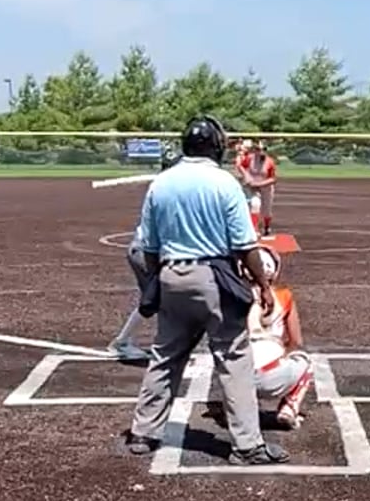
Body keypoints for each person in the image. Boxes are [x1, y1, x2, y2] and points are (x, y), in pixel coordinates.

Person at [122, 116, 288, 466]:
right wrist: (263, 285)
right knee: (233, 357)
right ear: (215, 146)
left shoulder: (161, 183)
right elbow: (245, 245)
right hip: (213, 277)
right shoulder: (224, 183)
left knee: (166, 355)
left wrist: (156, 283)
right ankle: (247, 445)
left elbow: (148, 246)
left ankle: (143, 432)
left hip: (171, 274)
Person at [109, 143, 184, 363]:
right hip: (145, 252)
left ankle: (135, 341)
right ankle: (122, 342)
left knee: (158, 298)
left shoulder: (164, 186)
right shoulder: (169, 190)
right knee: (156, 299)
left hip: (146, 250)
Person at [245, 246, 313, 430]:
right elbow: (296, 342)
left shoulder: (236, 296)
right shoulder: (284, 296)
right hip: (273, 374)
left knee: (227, 357)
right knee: (305, 360)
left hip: (239, 376)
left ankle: (233, 408)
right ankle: (289, 408)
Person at [243, 140, 278, 236]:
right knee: (255, 205)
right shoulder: (249, 158)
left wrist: (260, 184)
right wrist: (247, 177)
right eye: (258, 149)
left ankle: (266, 226)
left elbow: (273, 179)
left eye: (264, 149)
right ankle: (254, 229)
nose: (261, 152)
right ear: (255, 150)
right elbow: (242, 167)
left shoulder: (269, 162)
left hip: (266, 187)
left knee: (267, 211)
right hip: (253, 187)